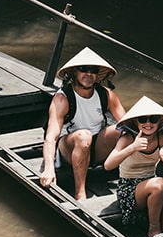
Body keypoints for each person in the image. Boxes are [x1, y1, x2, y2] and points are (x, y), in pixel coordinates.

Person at [39, 47, 126, 200]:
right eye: (83, 69)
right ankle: (80, 193)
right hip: (68, 149)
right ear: (75, 73)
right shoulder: (62, 98)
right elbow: (51, 138)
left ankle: (131, 179)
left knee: (122, 130)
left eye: (93, 70)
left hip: (96, 148)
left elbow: (128, 123)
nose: (88, 74)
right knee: (83, 136)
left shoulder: (106, 94)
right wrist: (48, 169)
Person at [103, 96, 163, 237]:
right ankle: (153, 230)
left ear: (159, 121)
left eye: (153, 119)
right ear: (136, 122)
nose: (148, 124)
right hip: (129, 189)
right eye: (143, 119)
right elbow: (108, 165)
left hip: (151, 182)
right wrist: (132, 148)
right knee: (159, 184)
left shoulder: (162, 136)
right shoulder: (128, 138)